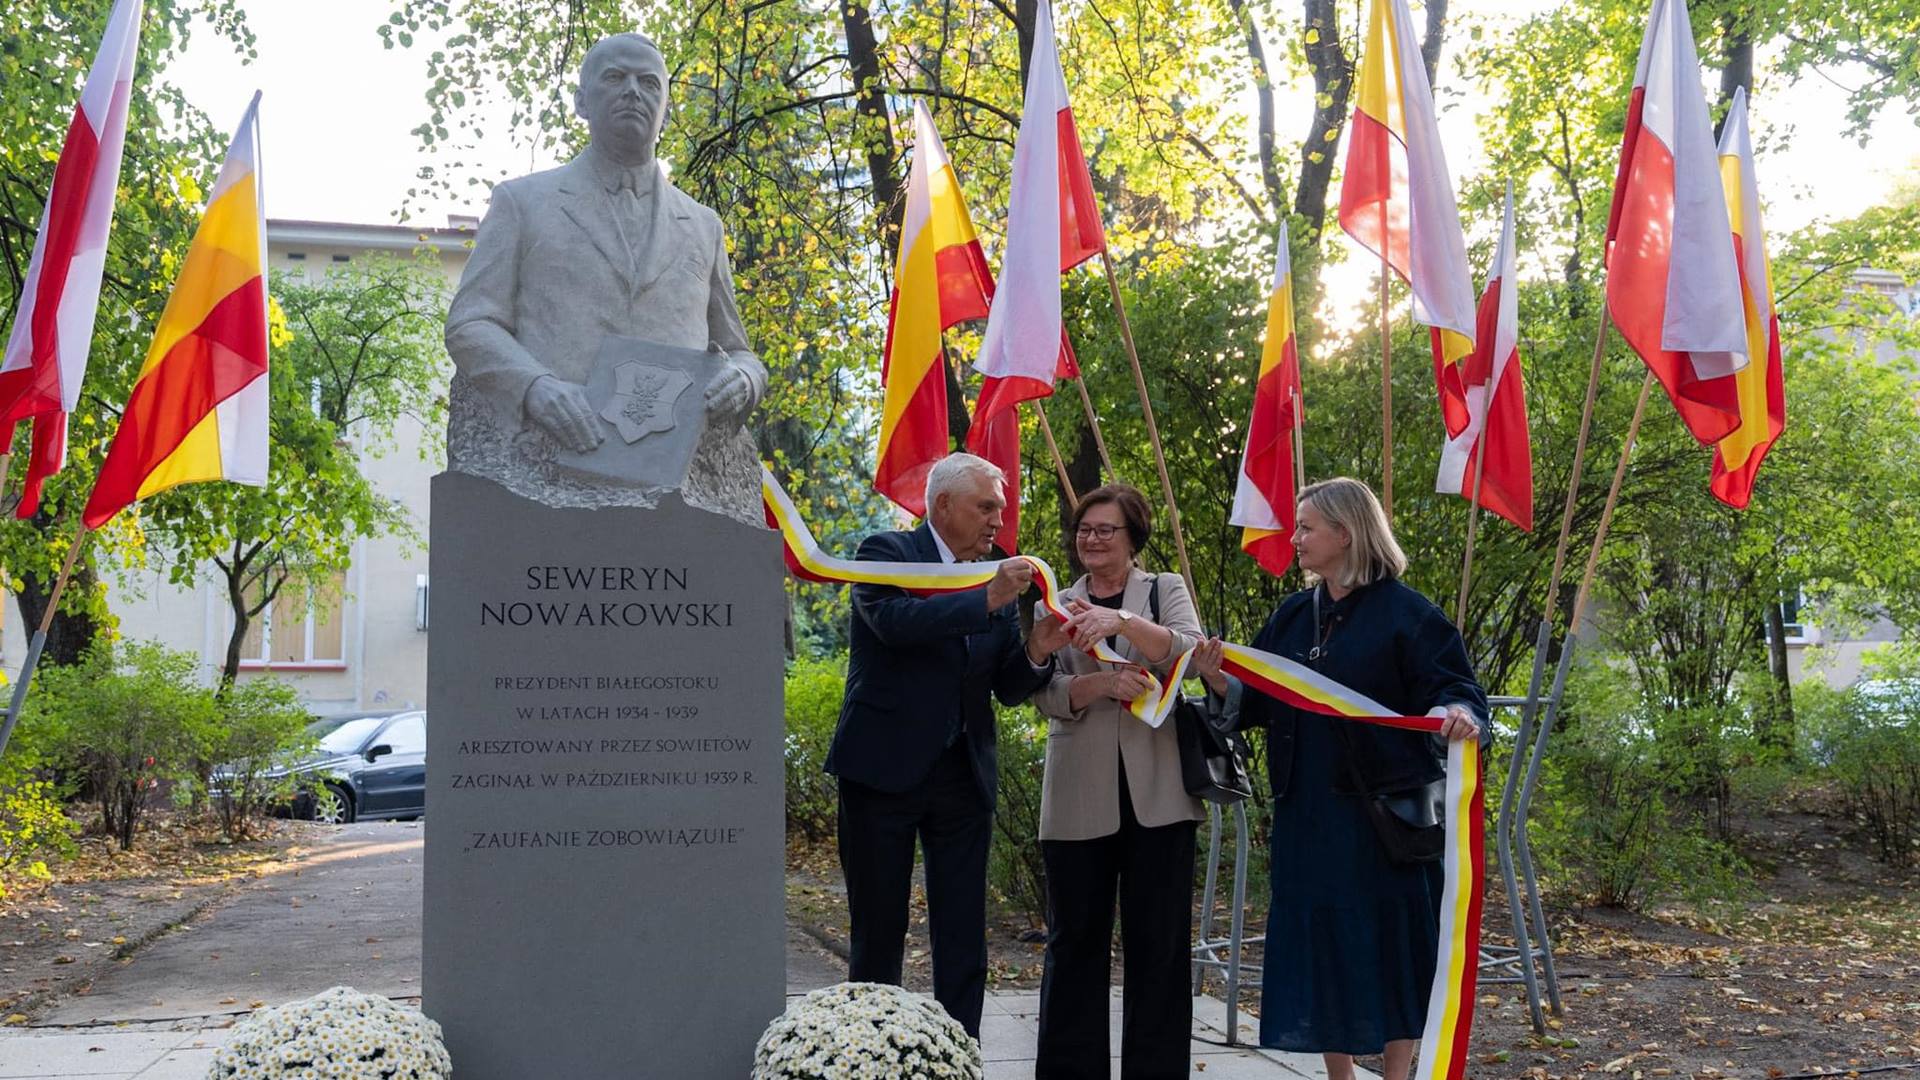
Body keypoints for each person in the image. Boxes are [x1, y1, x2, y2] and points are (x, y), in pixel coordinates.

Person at [1190, 477, 1485, 1080]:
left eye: (1306, 528)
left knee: (1391, 946)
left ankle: (1398, 1075)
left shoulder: (1410, 614)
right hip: (1309, 814)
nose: (1294, 538)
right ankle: (1340, 1076)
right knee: (1323, 945)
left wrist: (1457, 713)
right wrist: (1220, 681)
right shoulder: (1295, 614)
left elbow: (1457, 689)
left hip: (1386, 820)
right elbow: (1260, 702)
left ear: (1345, 534)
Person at [444, 32, 766, 522]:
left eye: (649, 83)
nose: (633, 91)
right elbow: (471, 323)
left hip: (674, 478)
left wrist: (743, 380)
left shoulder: (702, 226)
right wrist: (534, 386)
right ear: (580, 101)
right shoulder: (523, 203)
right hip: (551, 462)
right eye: (614, 77)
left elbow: (737, 350)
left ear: (665, 107)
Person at [827, 453, 1070, 1037]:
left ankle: (960, 1054)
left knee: (962, 934)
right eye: (986, 507)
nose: (997, 522)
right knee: (879, 931)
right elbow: (895, 625)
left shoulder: (991, 579)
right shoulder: (884, 553)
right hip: (881, 770)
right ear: (943, 506)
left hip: (964, 776)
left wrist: (1037, 647)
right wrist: (986, 599)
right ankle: (875, 1054)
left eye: (1000, 510)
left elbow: (1006, 685)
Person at [1027, 484, 1204, 1079]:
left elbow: (1188, 648)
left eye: (1106, 530)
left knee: (1159, 950)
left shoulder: (1163, 589)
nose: (1091, 539)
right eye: (1084, 528)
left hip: (1159, 794)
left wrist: (1122, 619)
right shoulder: (1053, 601)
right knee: (1074, 945)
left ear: (1133, 540)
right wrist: (1100, 686)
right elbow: (1041, 691)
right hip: (1078, 795)